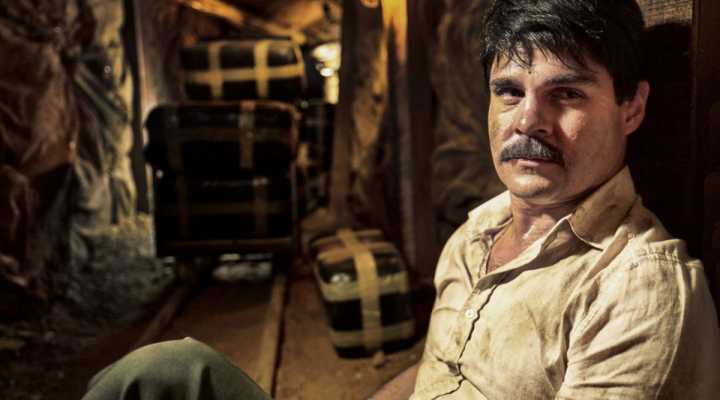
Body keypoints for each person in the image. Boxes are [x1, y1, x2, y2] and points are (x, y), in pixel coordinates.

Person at [82, 0, 720, 399]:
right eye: (508, 91)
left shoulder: (637, 289)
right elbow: (438, 371)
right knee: (170, 371)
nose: (528, 121)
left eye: (567, 94)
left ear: (631, 107)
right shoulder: (475, 236)